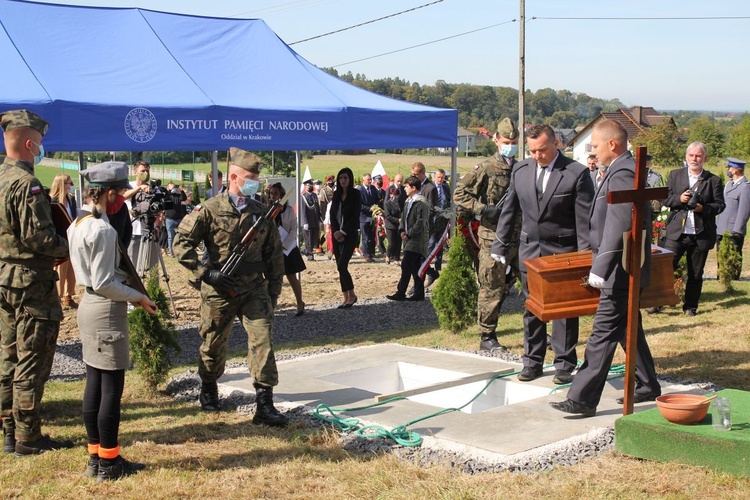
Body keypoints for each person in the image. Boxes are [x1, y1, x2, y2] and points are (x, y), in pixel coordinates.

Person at [550, 120, 661, 417]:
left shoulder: (623, 172)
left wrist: (601, 266)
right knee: (627, 328)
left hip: (620, 269)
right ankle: (648, 383)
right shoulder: (620, 169)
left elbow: (620, 223)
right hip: (622, 267)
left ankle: (583, 398)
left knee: (601, 334)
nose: (593, 151)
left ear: (612, 144)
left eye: (596, 145)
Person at [173, 147, 287, 426]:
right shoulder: (210, 210)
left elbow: (274, 255)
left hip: (253, 289)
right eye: (250, 177)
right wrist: (205, 274)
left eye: (256, 178)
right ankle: (209, 389)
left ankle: (264, 403)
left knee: (263, 341)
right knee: (213, 343)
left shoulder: (261, 213)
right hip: (219, 289)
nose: (255, 183)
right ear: (234, 177)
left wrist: (273, 292)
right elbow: (181, 244)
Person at [67, 161, 157, 481]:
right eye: (119, 191)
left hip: (88, 306)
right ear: (106, 192)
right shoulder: (103, 230)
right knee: (111, 389)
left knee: (95, 382)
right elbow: (106, 281)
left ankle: (96, 457)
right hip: (105, 308)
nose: (122, 197)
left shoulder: (78, 221)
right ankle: (109, 462)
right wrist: (139, 297)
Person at [492, 124, 594, 385]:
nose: (538, 155)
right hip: (530, 252)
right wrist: (500, 246)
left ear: (556, 143)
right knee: (532, 308)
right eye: (533, 151)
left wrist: (585, 257)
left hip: (563, 253)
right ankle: (532, 361)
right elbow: (509, 211)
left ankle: (564, 362)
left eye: (543, 150)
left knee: (563, 311)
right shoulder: (521, 170)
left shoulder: (575, 173)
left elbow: (584, 221)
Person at [0, 109, 72, 455]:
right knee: (33, 357)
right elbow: (39, 239)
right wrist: (69, 244)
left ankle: (8, 430)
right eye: (40, 144)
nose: (41, 150)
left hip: (4, 278)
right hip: (31, 282)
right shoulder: (25, 184)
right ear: (30, 144)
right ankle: (28, 436)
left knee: (8, 354)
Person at [453, 117, 520, 351]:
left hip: (520, 238)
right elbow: (460, 195)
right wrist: (484, 209)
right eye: (506, 141)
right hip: (493, 238)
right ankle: (487, 337)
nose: (510, 145)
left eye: (513, 141)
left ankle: (538, 331)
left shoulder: (521, 167)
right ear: (496, 141)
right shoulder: (486, 167)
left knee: (533, 286)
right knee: (492, 287)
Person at [662, 142, 725, 316]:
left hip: (700, 234)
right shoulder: (675, 175)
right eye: (691, 155)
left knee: (696, 273)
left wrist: (702, 209)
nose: (694, 159)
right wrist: (679, 199)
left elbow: (720, 205)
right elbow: (664, 198)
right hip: (677, 233)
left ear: (705, 158)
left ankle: (690, 306)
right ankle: (658, 301)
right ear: (686, 156)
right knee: (666, 269)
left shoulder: (713, 180)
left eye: (698, 156)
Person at [386, 176, 430, 301]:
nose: (404, 188)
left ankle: (401, 292)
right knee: (415, 266)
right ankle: (419, 293)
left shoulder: (422, 202)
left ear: (413, 188)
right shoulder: (408, 201)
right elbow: (403, 218)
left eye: (406, 186)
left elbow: (421, 222)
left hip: (417, 239)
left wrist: (408, 234)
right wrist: (401, 230)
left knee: (406, 264)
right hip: (409, 237)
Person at [269, 182, 307, 316]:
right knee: (272, 279)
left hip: (287, 248)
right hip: (273, 249)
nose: (273, 196)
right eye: (271, 193)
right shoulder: (267, 210)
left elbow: (293, 229)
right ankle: (270, 307)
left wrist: (285, 245)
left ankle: (299, 303)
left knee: (291, 277)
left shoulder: (289, 210)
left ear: (282, 195)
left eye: (276, 193)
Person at [330, 167, 362, 308]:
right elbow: (332, 215)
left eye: (346, 178)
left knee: (343, 265)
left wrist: (343, 231)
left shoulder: (356, 194)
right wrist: (336, 232)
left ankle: (352, 294)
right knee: (339, 266)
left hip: (350, 234)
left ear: (350, 179)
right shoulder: (336, 194)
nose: (343, 180)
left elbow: (355, 216)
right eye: (341, 178)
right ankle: (345, 297)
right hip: (336, 235)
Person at [716, 157, 750, 278]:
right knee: (721, 255)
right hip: (721, 227)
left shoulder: (745, 187)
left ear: (735, 170)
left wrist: (738, 230)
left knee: (733, 256)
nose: (728, 170)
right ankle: (721, 277)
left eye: (730, 168)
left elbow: (744, 211)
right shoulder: (729, 184)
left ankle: (734, 278)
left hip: (733, 229)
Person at [49, 173, 79, 308]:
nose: (71, 185)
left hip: (72, 237)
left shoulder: (71, 199)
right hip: (60, 239)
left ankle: (69, 295)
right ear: (61, 184)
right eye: (68, 183)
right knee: (61, 268)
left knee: (72, 268)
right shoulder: (52, 202)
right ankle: (58, 297)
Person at [125, 160, 159, 275]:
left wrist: (158, 223)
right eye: (142, 171)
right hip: (134, 230)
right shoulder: (129, 185)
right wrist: (139, 188)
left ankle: (154, 290)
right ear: (135, 173)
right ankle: (134, 290)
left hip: (151, 230)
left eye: (147, 171)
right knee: (133, 264)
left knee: (153, 265)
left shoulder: (153, 188)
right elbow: (123, 196)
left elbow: (160, 208)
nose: (146, 173)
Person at [430, 168, 452, 280]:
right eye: (438, 177)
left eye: (442, 178)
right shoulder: (430, 187)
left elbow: (448, 200)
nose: (440, 179)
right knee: (432, 242)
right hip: (432, 219)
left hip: (443, 219)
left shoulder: (445, 187)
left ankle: (438, 266)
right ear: (434, 177)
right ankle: (427, 264)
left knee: (440, 243)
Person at [356, 173, 379, 262]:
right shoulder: (359, 190)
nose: (370, 181)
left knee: (372, 236)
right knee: (365, 237)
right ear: (363, 180)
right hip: (363, 217)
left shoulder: (373, 188)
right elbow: (359, 205)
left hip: (372, 217)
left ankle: (371, 253)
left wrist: (376, 207)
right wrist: (369, 209)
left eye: (370, 179)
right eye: (368, 179)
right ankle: (366, 255)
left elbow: (377, 199)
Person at [164, 183, 187, 257]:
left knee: (180, 236)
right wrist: (169, 190)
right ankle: (171, 252)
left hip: (178, 218)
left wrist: (181, 190)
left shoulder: (178, 196)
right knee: (171, 236)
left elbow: (184, 198)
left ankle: (179, 251)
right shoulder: (168, 196)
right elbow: (165, 197)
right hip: (169, 219)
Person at [300, 179, 321, 261]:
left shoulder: (314, 195)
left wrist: (319, 219)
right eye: (308, 186)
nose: (310, 187)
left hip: (315, 221)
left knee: (314, 238)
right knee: (308, 239)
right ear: (305, 187)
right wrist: (305, 222)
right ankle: (310, 256)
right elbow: (303, 210)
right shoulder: (303, 197)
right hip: (307, 221)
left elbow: (317, 208)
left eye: (311, 185)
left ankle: (305, 250)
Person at [383, 185, 403, 264]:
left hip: (399, 226)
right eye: (394, 195)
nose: (396, 197)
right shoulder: (387, 204)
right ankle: (388, 256)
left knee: (398, 242)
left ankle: (396, 258)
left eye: (397, 195)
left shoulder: (400, 203)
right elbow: (388, 216)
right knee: (391, 243)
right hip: (390, 226)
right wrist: (397, 220)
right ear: (391, 195)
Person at [319, 175, 335, 257]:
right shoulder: (324, 191)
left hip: (336, 215)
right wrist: (323, 216)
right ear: (327, 182)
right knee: (327, 233)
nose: (331, 182)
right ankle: (328, 250)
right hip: (327, 214)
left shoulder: (337, 189)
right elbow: (322, 204)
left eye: (332, 180)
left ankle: (334, 250)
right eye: (329, 181)